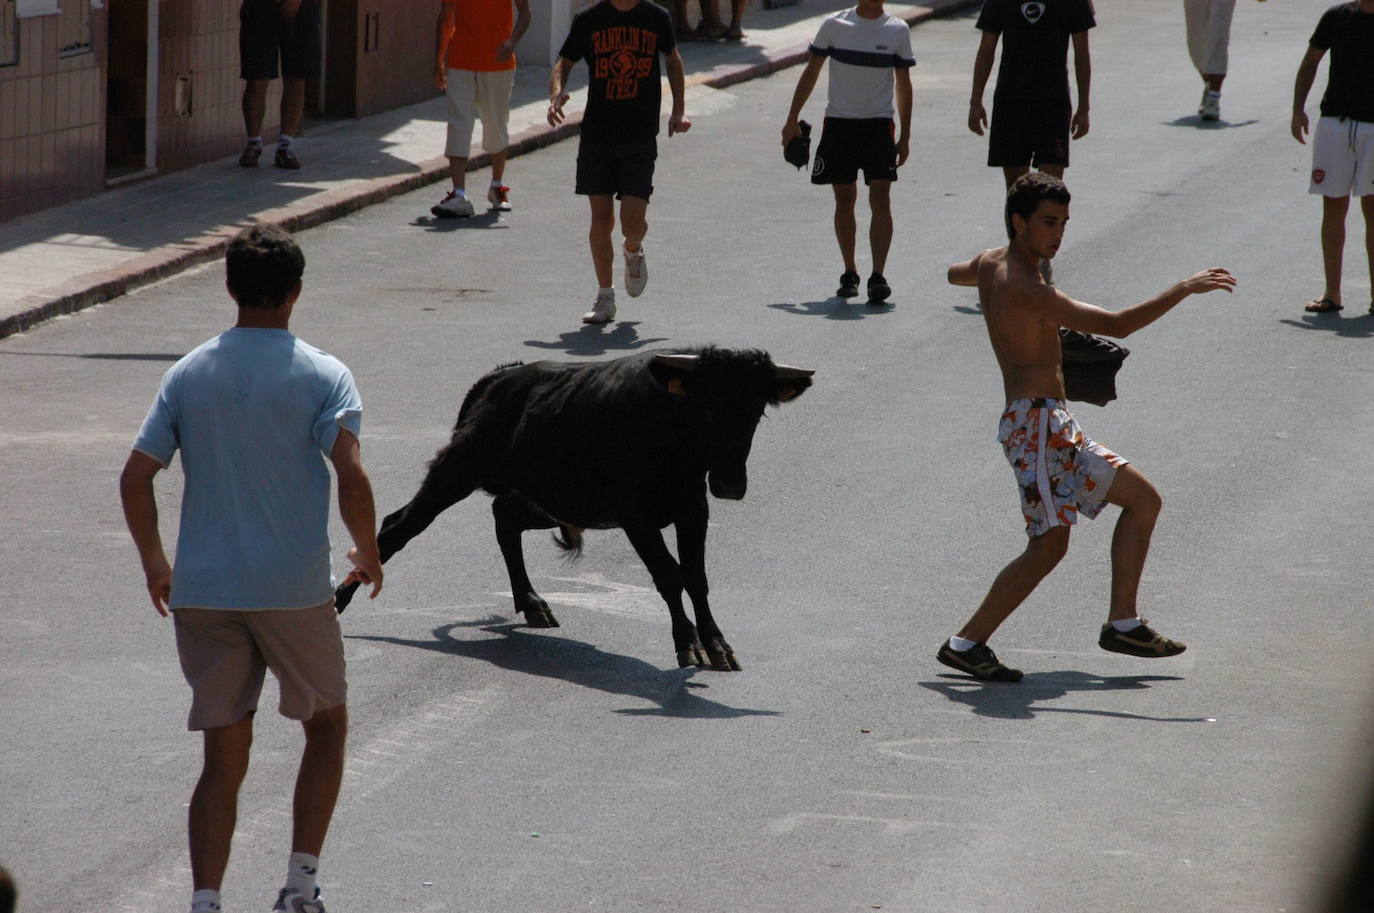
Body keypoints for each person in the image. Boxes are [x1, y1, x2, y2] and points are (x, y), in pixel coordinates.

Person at [119, 224, 383, 913]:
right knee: (326, 724)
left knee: (222, 755)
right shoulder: (325, 373)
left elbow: (136, 476)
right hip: (293, 590)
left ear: (230, 287)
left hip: (204, 591)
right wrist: (368, 548)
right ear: (296, 292)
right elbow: (349, 476)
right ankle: (298, 887)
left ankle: (206, 900)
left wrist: (156, 562)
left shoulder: (188, 372)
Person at [939, 173, 1235, 682]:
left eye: (1063, 223)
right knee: (1050, 544)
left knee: (1139, 501)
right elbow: (1117, 324)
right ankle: (967, 643)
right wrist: (1183, 288)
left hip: (1047, 422)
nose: (1058, 234)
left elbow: (954, 273)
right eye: (1048, 223)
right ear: (1019, 222)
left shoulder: (993, 264)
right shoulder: (1024, 285)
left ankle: (1121, 623)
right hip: (1036, 426)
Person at [548, 0, 691, 324]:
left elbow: (673, 58)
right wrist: (557, 91)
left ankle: (632, 249)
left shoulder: (656, 18)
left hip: (639, 135)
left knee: (632, 223)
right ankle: (605, 297)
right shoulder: (589, 19)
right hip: (597, 134)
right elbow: (564, 61)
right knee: (600, 219)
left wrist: (679, 108)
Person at [780, 0, 914, 303]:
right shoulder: (834, 26)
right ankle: (849, 271)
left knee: (881, 197)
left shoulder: (897, 30)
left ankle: (878, 276)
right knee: (844, 197)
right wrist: (791, 120)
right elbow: (811, 71)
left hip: (879, 126)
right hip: (839, 124)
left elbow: (904, 84)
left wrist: (904, 135)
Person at [1291, 0, 1374, 315]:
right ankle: (1332, 293)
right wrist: (1298, 108)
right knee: (1333, 207)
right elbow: (1312, 60)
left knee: (1373, 209)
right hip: (1335, 124)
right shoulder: (1337, 17)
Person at [968, 0, 1094, 192]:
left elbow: (1082, 54)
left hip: (1053, 104)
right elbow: (986, 49)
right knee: (1016, 193)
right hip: (1010, 102)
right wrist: (975, 102)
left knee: (1051, 191)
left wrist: (1084, 108)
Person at [430, 0, 532, 218]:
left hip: (498, 61)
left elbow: (525, 14)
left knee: (496, 124)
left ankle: (497, 186)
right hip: (460, 60)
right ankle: (459, 195)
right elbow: (446, 15)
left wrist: (512, 41)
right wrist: (439, 59)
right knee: (458, 124)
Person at [238, 0, 322, 170]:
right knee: (257, 78)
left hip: (302, 10)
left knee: (296, 78)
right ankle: (253, 143)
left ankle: (286, 145)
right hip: (260, 9)